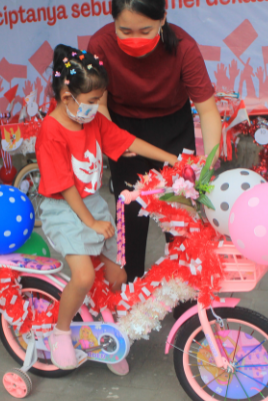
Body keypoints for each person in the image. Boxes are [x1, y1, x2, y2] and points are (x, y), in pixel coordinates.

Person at [36, 45, 178, 374]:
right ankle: (60, 332)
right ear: (67, 96)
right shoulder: (51, 131)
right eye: (92, 100)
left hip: (93, 205)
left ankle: (101, 335)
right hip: (64, 209)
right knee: (84, 276)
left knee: (117, 276)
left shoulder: (92, 120)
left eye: (99, 99)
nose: (96, 107)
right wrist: (91, 222)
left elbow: (126, 141)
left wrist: (171, 159)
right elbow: (65, 186)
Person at [87, 0, 222, 282]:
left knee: (180, 218)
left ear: (163, 19)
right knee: (131, 214)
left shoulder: (184, 47)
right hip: (124, 132)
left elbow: (208, 110)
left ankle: (184, 290)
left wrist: (208, 165)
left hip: (174, 131)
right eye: (125, 31)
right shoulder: (100, 45)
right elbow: (99, 104)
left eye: (145, 31)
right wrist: (114, 140)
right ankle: (131, 290)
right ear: (113, 22)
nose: (135, 39)